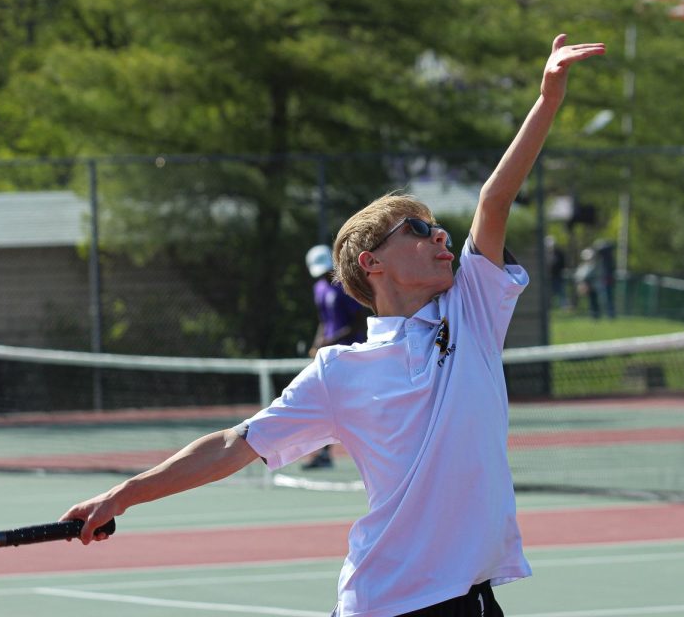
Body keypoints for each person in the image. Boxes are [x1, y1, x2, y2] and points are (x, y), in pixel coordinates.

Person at [60, 34, 606, 617]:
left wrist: (547, 100)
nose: (440, 235)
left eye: (438, 227)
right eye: (418, 231)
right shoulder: (338, 372)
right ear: (372, 263)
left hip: (472, 600)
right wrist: (126, 493)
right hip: (385, 605)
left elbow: (493, 202)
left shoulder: (473, 306)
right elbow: (231, 445)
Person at [301, 243, 369, 469]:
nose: (323, 275)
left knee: (353, 405)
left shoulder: (344, 286)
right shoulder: (318, 289)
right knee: (325, 403)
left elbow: (359, 322)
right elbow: (323, 321)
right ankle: (324, 452)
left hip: (349, 354)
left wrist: (329, 343)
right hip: (328, 357)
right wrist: (317, 344)